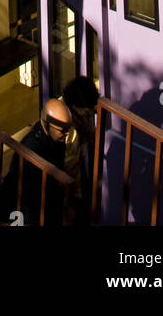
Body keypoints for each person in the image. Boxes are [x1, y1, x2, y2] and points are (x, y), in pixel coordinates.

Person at [0, 98, 72, 226]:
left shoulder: (56, 140)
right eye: (62, 130)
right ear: (47, 125)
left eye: (67, 129)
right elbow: (20, 188)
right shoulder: (30, 148)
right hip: (28, 211)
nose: (66, 134)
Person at [62, 75, 100, 223]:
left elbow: (91, 136)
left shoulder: (82, 114)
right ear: (76, 107)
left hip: (78, 173)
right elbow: (69, 166)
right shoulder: (69, 130)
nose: (90, 113)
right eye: (88, 111)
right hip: (70, 185)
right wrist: (74, 199)